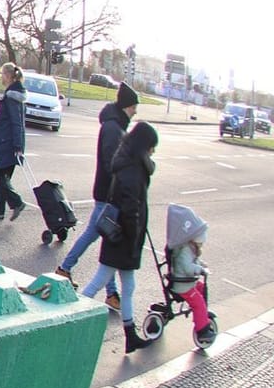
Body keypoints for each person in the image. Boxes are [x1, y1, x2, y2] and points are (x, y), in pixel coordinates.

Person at [77, 122, 159, 352]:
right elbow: (132, 208)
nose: (153, 151)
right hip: (123, 237)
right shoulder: (134, 170)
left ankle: (130, 334)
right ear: (145, 146)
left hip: (119, 234)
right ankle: (72, 320)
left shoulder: (127, 161)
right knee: (98, 281)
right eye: (152, 147)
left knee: (128, 286)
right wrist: (134, 239)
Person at [58, 82, 140, 308]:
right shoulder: (114, 128)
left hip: (107, 193)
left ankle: (109, 292)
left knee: (103, 238)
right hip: (108, 194)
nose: (135, 111)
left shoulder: (115, 125)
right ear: (126, 106)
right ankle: (65, 268)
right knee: (98, 236)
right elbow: (112, 162)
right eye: (134, 107)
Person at [165, 204, 218, 348]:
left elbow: (193, 262)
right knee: (198, 302)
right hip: (182, 285)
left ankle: (201, 316)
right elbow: (188, 267)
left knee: (201, 288)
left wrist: (202, 265)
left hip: (186, 282)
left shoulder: (189, 248)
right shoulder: (184, 251)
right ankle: (201, 329)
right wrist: (199, 269)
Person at [0, 64, 27, 219]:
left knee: (0, 174)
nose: (0, 76)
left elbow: (16, 122)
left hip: (7, 141)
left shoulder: (11, 97)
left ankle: (16, 202)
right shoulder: (16, 94)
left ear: (9, 76)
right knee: (4, 175)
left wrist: (17, 145)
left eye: (2, 73)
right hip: (10, 140)